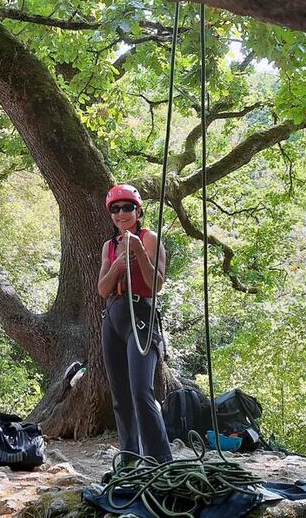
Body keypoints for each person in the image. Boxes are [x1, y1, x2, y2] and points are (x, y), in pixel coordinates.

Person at [97, 184, 172, 464]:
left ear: (138, 211)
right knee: (120, 396)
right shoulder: (109, 246)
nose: (121, 214)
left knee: (141, 391)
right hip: (113, 318)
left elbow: (157, 285)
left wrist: (139, 252)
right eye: (115, 209)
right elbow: (103, 289)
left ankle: (159, 462)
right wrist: (118, 265)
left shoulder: (149, 239)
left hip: (140, 316)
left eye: (127, 208)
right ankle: (129, 461)